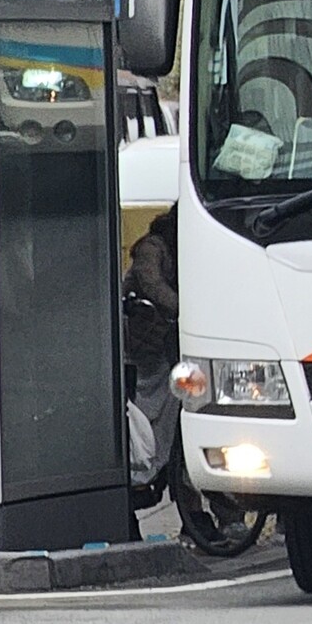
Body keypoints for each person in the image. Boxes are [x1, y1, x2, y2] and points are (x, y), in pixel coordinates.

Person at [123, 206, 180, 503]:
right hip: (144, 341)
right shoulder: (153, 248)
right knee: (152, 400)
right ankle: (144, 465)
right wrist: (185, 308)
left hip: (157, 340)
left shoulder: (162, 248)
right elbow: (152, 285)